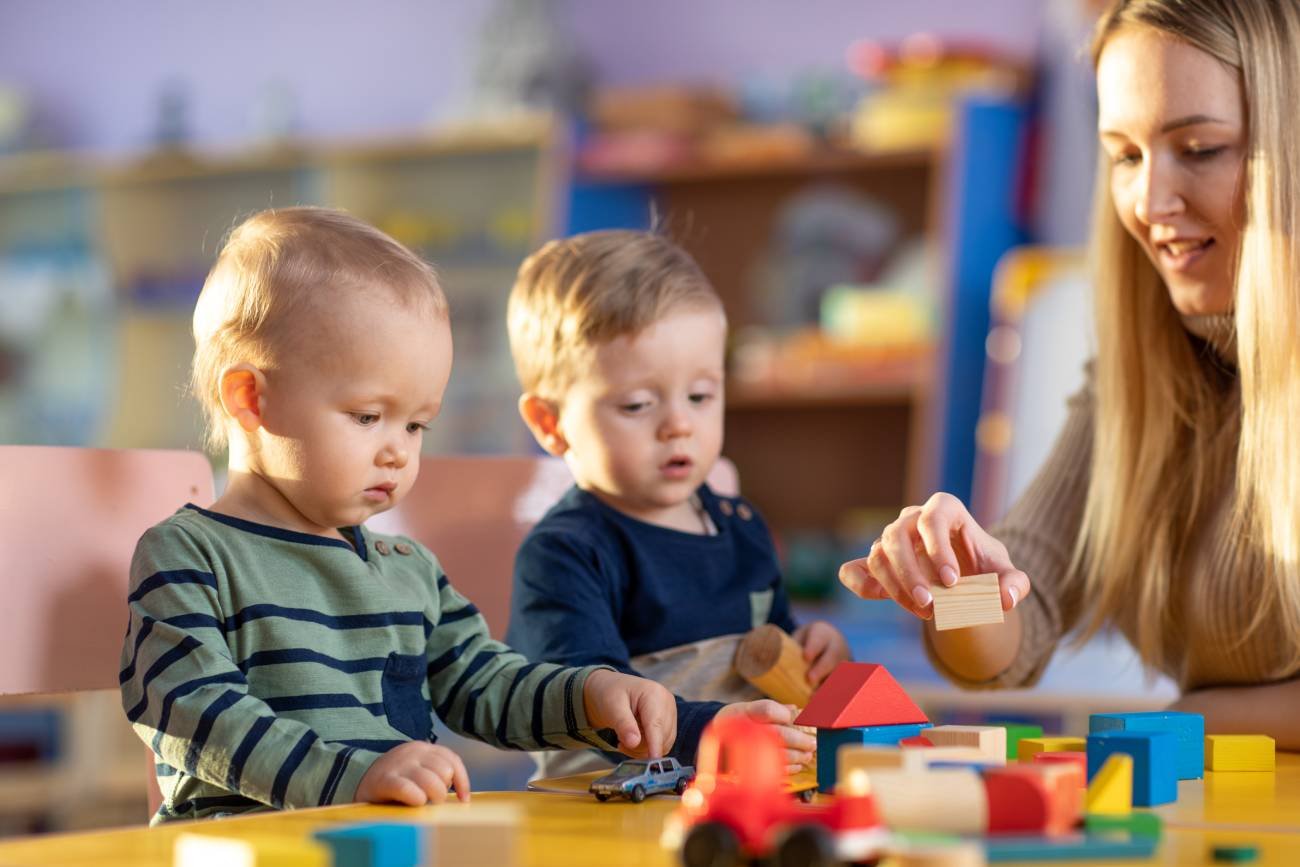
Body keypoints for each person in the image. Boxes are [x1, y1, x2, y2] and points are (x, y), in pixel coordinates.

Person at [839, 0, 1300, 749]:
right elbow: (1015, 630)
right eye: (1125, 156)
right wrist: (956, 584)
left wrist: (1185, 720)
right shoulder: (1142, 371)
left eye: (1200, 148)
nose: (1150, 203)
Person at [119, 208, 676, 824]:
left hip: (394, 839)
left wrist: (591, 696)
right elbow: (190, 709)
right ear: (250, 398)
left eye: (415, 425)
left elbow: (486, 685)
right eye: (367, 416)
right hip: (245, 846)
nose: (399, 451)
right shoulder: (189, 554)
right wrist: (352, 779)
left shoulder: (408, 570)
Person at [503, 229, 851, 776]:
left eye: (700, 396)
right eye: (638, 405)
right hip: (606, 801)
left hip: (736, 788)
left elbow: (772, 639)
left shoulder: (740, 525)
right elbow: (594, 705)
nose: (679, 425)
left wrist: (810, 648)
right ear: (551, 423)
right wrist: (712, 735)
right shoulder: (565, 554)